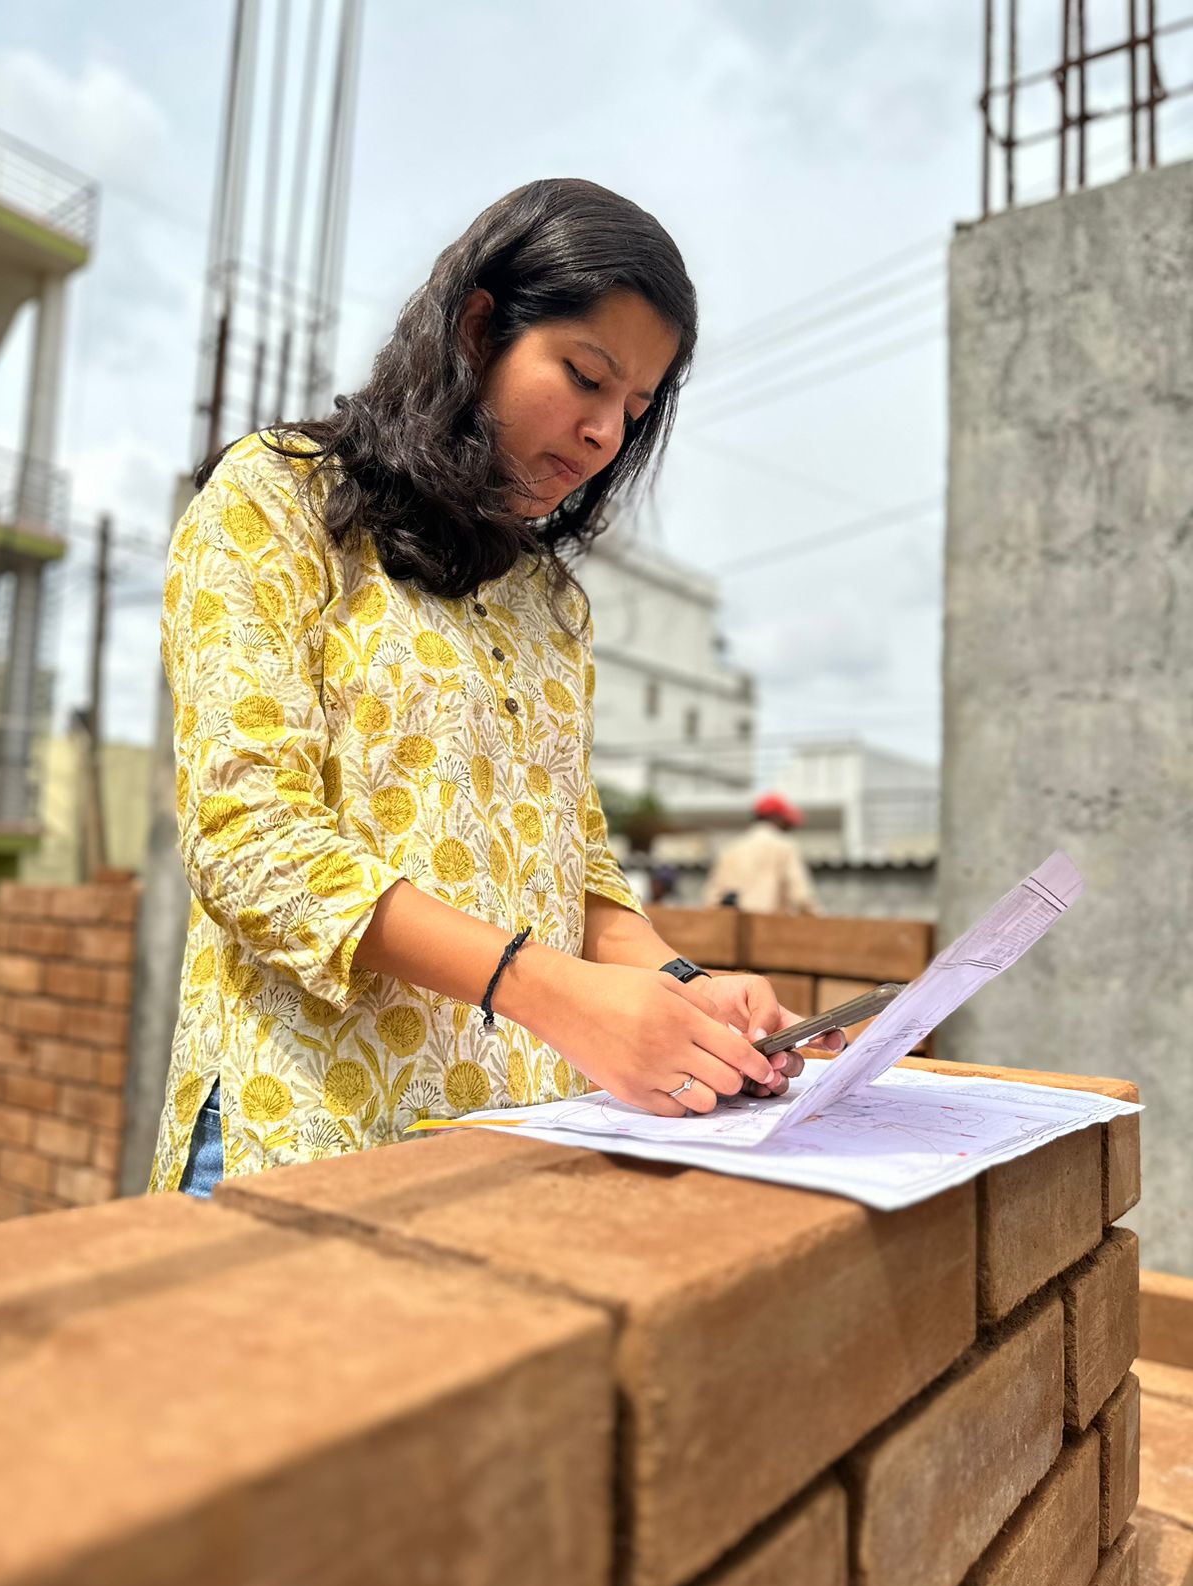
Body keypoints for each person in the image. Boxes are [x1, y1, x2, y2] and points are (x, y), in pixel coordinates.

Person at [150, 179, 841, 1197]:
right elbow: (250, 844)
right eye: (585, 376)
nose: (607, 434)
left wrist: (686, 991)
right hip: (296, 1131)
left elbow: (577, 870)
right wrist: (553, 994)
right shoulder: (279, 503)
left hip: (506, 1142)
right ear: (478, 331)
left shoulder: (549, 604)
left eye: (635, 410)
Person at [704, 793, 821, 915]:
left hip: (733, 928)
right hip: (769, 927)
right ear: (777, 818)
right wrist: (821, 925)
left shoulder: (731, 849)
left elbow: (713, 899)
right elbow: (801, 896)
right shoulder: (784, 847)